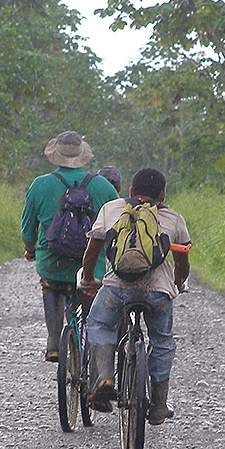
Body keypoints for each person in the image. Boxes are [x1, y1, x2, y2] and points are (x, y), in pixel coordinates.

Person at [80, 168, 191, 425]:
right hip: (157, 293)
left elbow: (93, 249)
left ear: (130, 191)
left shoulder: (111, 209)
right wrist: (178, 282)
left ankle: (105, 376)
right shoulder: (174, 218)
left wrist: (87, 277)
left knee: (98, 323)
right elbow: (182, 260)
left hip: (117, 289)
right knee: (161, 340)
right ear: (162, 194)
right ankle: (159, 405)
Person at [21, 131, 120, 363]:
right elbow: (119, 223)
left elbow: (28, 230)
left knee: (51, 284)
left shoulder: (40, 184)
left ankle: (53, 341)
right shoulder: (103, 186)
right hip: (91, 267)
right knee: (91, 311)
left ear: (55, 155)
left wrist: (30, 249)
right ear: (82, 155)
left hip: (52, 262)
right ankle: (93, 355)